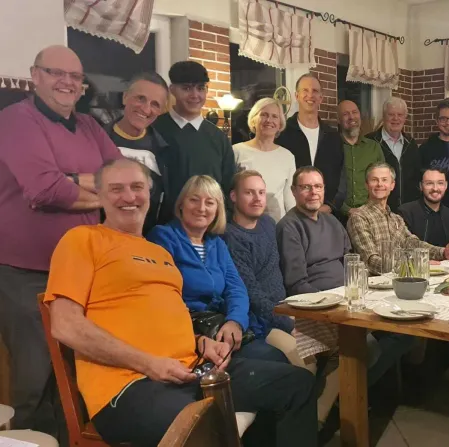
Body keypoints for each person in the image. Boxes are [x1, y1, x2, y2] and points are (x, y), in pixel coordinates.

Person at [43, 158, 317, 447]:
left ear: (149, 193)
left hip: (194, 369)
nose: (129, 196)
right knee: (210, 430)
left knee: (297, 384)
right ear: (99, 196)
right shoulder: (82, 239)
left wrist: (201, 342)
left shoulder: (158, 252)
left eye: (137, 187)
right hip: (130, 386)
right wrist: (149, 364)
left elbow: (169, 315)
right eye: (116, 189)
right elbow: (65, 326)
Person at [0, 45, 122, 435]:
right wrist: (95, 189)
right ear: (35, 76)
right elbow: (44, 190)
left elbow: (120, 178)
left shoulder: (87, 125)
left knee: (72, 377)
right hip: (26, 271)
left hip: (80, 270)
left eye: (75, 76)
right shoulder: (16, 120)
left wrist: (69, 180)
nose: (67, 82)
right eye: (56, 73)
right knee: (35, 379)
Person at [276, 166, 415, 438]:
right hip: (318, 305)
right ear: (294, 192)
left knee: (403, 332)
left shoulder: (332, 222)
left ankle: (344, 393)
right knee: (366, 344)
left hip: (348, 296)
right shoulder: (289, 226)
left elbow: (351, 262)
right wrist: (334, 302)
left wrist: (359, 289)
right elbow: (296, 283)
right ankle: (332, 407)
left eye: (318, 186)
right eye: (306, 187)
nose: (313, 192)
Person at [147, 175, 286, 363]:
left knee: (276, 359)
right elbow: (161, 298)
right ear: (181, 204)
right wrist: (195, 338)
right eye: (194, 200)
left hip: (221, 326)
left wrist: (235, 321)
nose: (202, 208)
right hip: (188, 332)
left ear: (217, 210)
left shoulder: (217, 243)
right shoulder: (162, 237)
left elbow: (236, 288)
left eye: (210, 202)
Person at [223, 170, 305, 367]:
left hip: (286, 307)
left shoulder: (268, 223)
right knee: (305, 359)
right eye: (249, 192)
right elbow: (251, 293)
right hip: (260, 322)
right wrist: (287, 321)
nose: (257, 198)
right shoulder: (229, 235)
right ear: (234, 196)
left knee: (342, 347)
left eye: (261, 192)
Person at [152, 61, 236, 224]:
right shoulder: (155, 129)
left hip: (208, 231)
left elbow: (228, 187)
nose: (195, 95)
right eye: (186, 88)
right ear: (172, 90)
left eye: (200, 88)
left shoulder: (218, 138)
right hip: (163, 229)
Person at [347, 162, 449, 275]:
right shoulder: (359, 217)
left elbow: (412, 243)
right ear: (366, 185)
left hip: (400, 281)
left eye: (384, 180)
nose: (379, 184)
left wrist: (443, 252)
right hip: (373, 286)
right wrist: (415, 264)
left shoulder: (396, 218)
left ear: (392, 185)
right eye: (374, 180)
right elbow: (371, 261)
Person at [106, 71, 170, 234]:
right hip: (101, 241)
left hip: (145, 243)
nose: (146, 109)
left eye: (155, 104)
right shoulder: (98, 140)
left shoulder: (164, 150)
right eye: (140, 98)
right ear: (125, 97)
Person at [275, 73, 344, 216]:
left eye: (315, 91)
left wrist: (330, 206)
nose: (310, 95)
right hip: (293, 214)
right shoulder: (282, 134)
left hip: (327, 215)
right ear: (296, 95)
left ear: (321, 98)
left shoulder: (333, 136)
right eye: (305, 91)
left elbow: (342, 178)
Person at [233, 97, 296, 221]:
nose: (269, 120)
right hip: (244, 225)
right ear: (253, 120)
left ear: (280, 125)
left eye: (274, 116)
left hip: (278, 227)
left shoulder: (287, 156)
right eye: (264, 115)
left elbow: (290, 199)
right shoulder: (237, 151)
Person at [366, 97, 421, 210]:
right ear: (384, 116)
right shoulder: (370, 142)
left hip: (408, 210)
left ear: (405, 117)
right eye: (391, 114)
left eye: (400, 115)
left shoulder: (411, 144)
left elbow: (417, 176)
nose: (396, 118)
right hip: (379, 209)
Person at [338, 100, 385, 220]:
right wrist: (347, 209)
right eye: (345, 114)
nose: (351, 117)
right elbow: (326, 182)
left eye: (355, 112)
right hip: (338, 216)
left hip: (370, 216)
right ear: (338, 119)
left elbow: (383, 181)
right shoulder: (332, 146)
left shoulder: (374, 147)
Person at [399, 168, 449, 247]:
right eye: (429, 183)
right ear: (421, 186)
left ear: (446, 186)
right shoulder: (406, 212)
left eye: (440, 183)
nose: (435, 188)